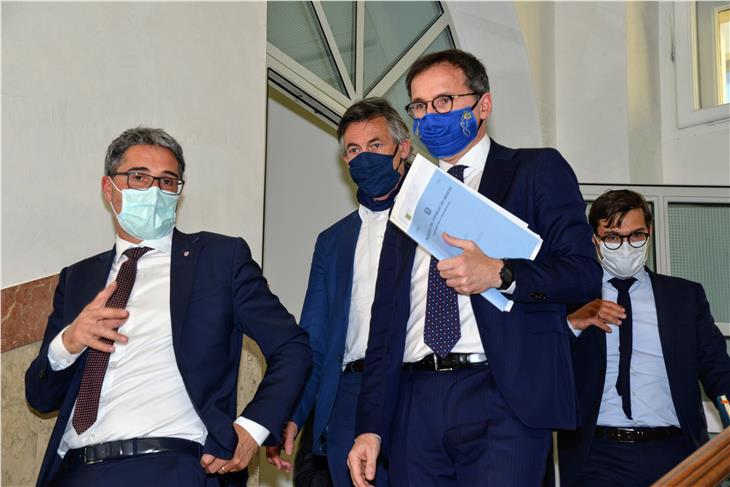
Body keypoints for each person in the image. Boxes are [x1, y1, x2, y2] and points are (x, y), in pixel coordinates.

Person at [347, 49, 602, 487]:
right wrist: (370, 427)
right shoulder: (407, 197)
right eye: (419, 106)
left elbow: (583, 273)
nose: (430, 116)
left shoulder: (534, 170)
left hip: (502, 394)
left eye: (444, 101)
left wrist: (503, 274)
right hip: (414, 402)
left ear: (483, 105)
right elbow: (385, 323)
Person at [25, 127, 311, 487]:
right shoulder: (78, 278)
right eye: (139, 177)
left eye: (167, 181)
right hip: (76, 470)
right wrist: (67, 344)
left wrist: (251, 429)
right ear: (108, 188)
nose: (155, 191)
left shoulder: (218, 259)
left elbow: (291, 346)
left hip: (171, 465)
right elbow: (40, 396)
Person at [266, 97, 410, 486]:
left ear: (403, 148)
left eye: (375, 145)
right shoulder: (332, 241)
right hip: (349, 395)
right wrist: (294, 414)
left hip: (415, 385)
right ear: (345, 160)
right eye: (354, 149)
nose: (364, 157)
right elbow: (314, 340)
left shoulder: (433, 220)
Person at [557, 189, 730, 486]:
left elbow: (717, 369)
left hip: (676, 451)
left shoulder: (684, 296)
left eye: (636, 235)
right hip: (596, 454)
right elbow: (542, 362)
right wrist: (572, 323)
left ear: (649, 232)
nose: (626, 246)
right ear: (594, 239)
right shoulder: (571, 298)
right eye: (613, 237)